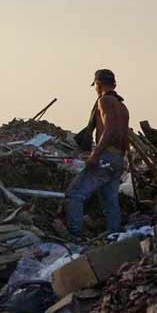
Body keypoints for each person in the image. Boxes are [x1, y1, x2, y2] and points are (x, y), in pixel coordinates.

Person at [66, 69, 130, 238]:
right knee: (110, 202)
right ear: (114, 84)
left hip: (106, 157)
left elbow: (109, 130)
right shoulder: (122, 106)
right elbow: (125, 135)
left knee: (75, 194)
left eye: (96, 85)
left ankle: (75, 237)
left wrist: (95, 155)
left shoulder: (104, 101)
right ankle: (115, 237)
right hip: (117, 159)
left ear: (98, 84)